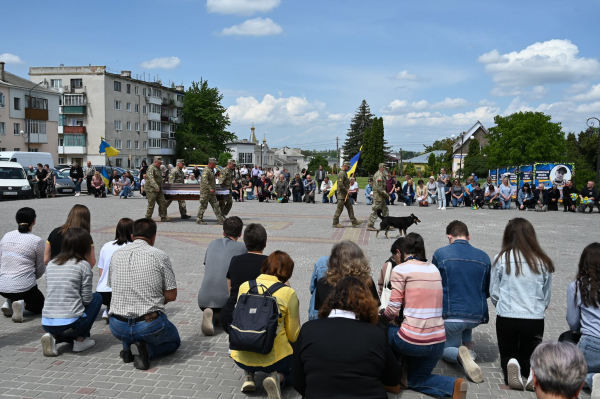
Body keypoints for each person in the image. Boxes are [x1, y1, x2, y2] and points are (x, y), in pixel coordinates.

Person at [382, 233, 468, 398]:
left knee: (382, 331)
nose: (395, 261)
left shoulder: (400, 269)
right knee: (416, 379)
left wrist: (382, 317)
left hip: (412, 341)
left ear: (399, 252)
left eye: (395, 257)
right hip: (438, 342)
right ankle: (453, 386)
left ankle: (392, 381)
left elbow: (392, 310)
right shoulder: (432, 268)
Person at [292, 277, 402, 399]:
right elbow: (393, 379)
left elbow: (297, 379)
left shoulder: (308, 329)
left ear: (331, 300)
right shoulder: (375, 334)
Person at [490, 218, 554, 390]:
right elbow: (546, 295)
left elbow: (494, 292)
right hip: (533, 317)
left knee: (507, 353)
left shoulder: (500, 258)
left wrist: (501, 306)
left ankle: (511, 363)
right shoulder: (543, 261)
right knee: (530, 354)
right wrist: (540, 309)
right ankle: (532, 370)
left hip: (507, 316)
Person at [108, 218, 180, 370]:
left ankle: (127, 349)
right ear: (153, 238)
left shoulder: (116, 255)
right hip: (149, 325)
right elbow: (172, 295)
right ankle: (146, 351)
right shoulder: (160, 255)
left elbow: (113, 287)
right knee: (174, 342)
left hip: (117, 326)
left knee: (127, 313)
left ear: (132, 236)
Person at [231, 251, 300, 397]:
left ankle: (248, 376)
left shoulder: (245, 286)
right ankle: (277, 377)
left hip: (240, 356)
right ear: (287, 271)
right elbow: (293, 335)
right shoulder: (288, 293)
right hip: (273, 359)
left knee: (250, 331)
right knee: (297, 371)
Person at [432, 221, 491, 383]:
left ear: (448, 236)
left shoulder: (440, 254)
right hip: (476, 315)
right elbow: (487, 290)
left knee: (444, 349)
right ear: (469, 236)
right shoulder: (484, 256)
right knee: (465, 322)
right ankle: (469, 350)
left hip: (451, 315)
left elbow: (434, 285)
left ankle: (459, 354)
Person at [40, 228, 103, 356]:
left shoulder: (51, 264)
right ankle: (80, 340)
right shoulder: (83, 265)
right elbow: (86, 299)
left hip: (46, 322)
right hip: (71, 324)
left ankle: (52, 336)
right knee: (97, 297)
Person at [197, 217, 247, 336]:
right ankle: (218, 315)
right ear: (240, 234)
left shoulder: (212, 243)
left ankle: (213, 315)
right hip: (225, 301)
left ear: (223, 232)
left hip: (203, 299)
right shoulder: (243, 247)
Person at [220, 223, 268, 334]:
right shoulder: (269, 263)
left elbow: (230, 288)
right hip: (259, 315)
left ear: (245, 245)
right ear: (265, 243)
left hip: (231, 314)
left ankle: (237, 337)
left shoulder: (235, 260)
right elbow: (286, 288)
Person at [0, 208, 46, 323]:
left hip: (3, 287)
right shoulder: (37, 241)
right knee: (40, 305)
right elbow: (40, 268)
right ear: (34, 221)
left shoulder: (6, 236)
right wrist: (31, 276)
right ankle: (22, 304)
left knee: (14, 288)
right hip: (25, 287)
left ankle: (9, 301)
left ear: (16, 220)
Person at [567, 242, 600, 395]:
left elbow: (573, 321)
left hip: (591, 344)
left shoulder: (577, 286)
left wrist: (579, 330)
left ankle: (590, 378)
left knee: (570, 376)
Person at [314, 241, 380, 311]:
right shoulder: (366, 281)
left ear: (332, 261)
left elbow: (320, 310)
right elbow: (375, 307)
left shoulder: (322, 283)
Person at [96, 218, 134, 322]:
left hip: (102, 291)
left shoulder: (106, 245)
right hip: (120, 293)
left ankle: (109, 309)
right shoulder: (133, 247)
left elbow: (101, 271)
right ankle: (115, 312)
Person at [332, 162, 361, 228]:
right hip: (341, 195)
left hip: (345, 195)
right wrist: (347, 191)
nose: (349, 168)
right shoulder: (341, 173)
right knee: (339, 209)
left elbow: (344, 183)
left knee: (350, 208)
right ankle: (335, 223)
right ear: (345, 166)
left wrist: (349, 182)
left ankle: (354, 221)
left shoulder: (344, 173)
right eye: (348, 167)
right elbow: (340, 184)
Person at [197, 158, 226, 225]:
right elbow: (205, 181)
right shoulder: (206, 170)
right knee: (203, 206)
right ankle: (199, 219)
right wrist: (210, 188)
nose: (215, 166)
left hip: (211, 193)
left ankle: (220, 219)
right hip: (206, 192)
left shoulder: (211, 170)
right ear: (210, 164)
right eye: (214, 164)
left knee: (216, 205)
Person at [144, 157, 170, 222]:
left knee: (163, 202)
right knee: (151, 203)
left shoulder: (158, 168)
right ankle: (148, 217)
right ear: (155, 162)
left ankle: (163, 216)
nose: (161, 164)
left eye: (161, 162)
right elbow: (151, 178)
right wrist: (156, 187)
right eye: (160, 162)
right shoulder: (151, 168)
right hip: (151, 189)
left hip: (159, 188)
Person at [367, 164, 390, 232]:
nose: (387, 170)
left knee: (385, 210)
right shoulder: (379, 176)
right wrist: (386, 194)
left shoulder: (381, 175)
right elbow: (379, 188)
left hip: (381, 197)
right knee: (375, 211)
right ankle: (370, 225)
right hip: (378, 197)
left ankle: (387, 224)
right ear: (382, 168)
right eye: (386, 168)